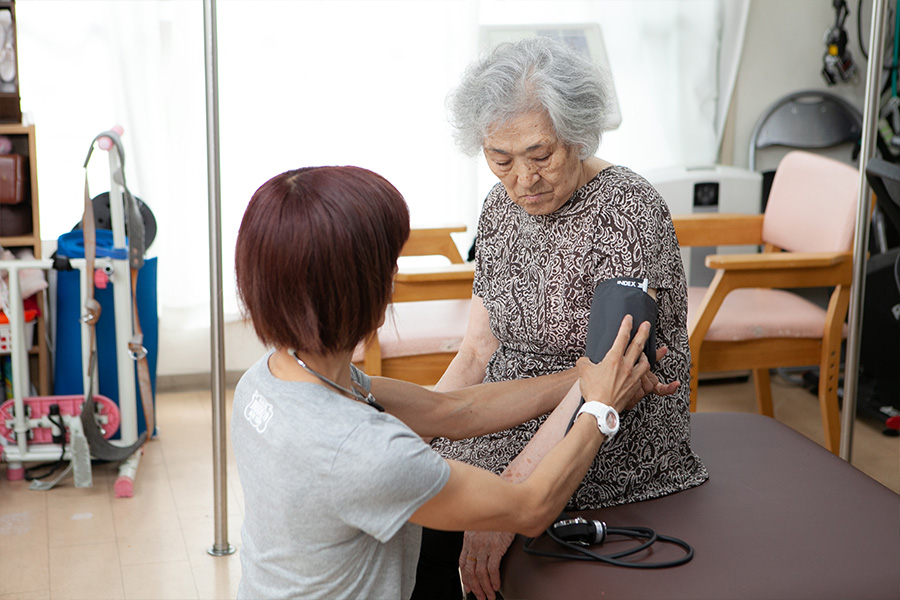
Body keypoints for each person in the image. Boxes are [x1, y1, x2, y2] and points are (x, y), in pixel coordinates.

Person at [231, 165, 664, 600]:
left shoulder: (269, 380)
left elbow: (451, 411)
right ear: (357, 289)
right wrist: (602, 407)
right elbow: (530, 506)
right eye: (389, 263)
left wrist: (589, 378)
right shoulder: (364, 452)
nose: (394, 277)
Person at [417, 37, 710, 600]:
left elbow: (604, 383)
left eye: (540, 155)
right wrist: (422, 434)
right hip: (514, 405)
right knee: (411, 487)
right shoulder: (499, 207)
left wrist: (512, 497)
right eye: (501, 160)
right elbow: (478, 350)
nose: (523, 180)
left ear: (578, 134)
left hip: (607, 424)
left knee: (451, 511)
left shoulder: (627, 210)